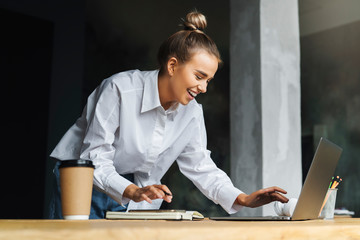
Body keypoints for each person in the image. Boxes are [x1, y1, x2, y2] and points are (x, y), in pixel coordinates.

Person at [48, 11, 288, 219]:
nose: (204, 88)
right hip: (83, 179)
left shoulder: (192, 112)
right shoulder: (120, 89)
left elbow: (201, 165)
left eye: (209, 80)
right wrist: (132, 190)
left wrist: (243, 198)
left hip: (135, 193)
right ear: (172, 66)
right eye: (199, 76)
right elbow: (94, 158)